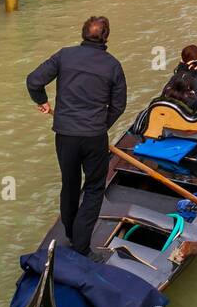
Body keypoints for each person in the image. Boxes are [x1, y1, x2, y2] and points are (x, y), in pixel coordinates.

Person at [26, 15, 127, 259]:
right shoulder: (112, 65)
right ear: (106, 37)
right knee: (93, 188)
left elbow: (33, 81)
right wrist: (100, 125)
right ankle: (81, 247)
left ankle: (71, 234)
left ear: (83, 34)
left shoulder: (64, 55)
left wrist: (42, 101)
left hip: (65, 135)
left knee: (69, 185)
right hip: (93, 137)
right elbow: (119, 105)